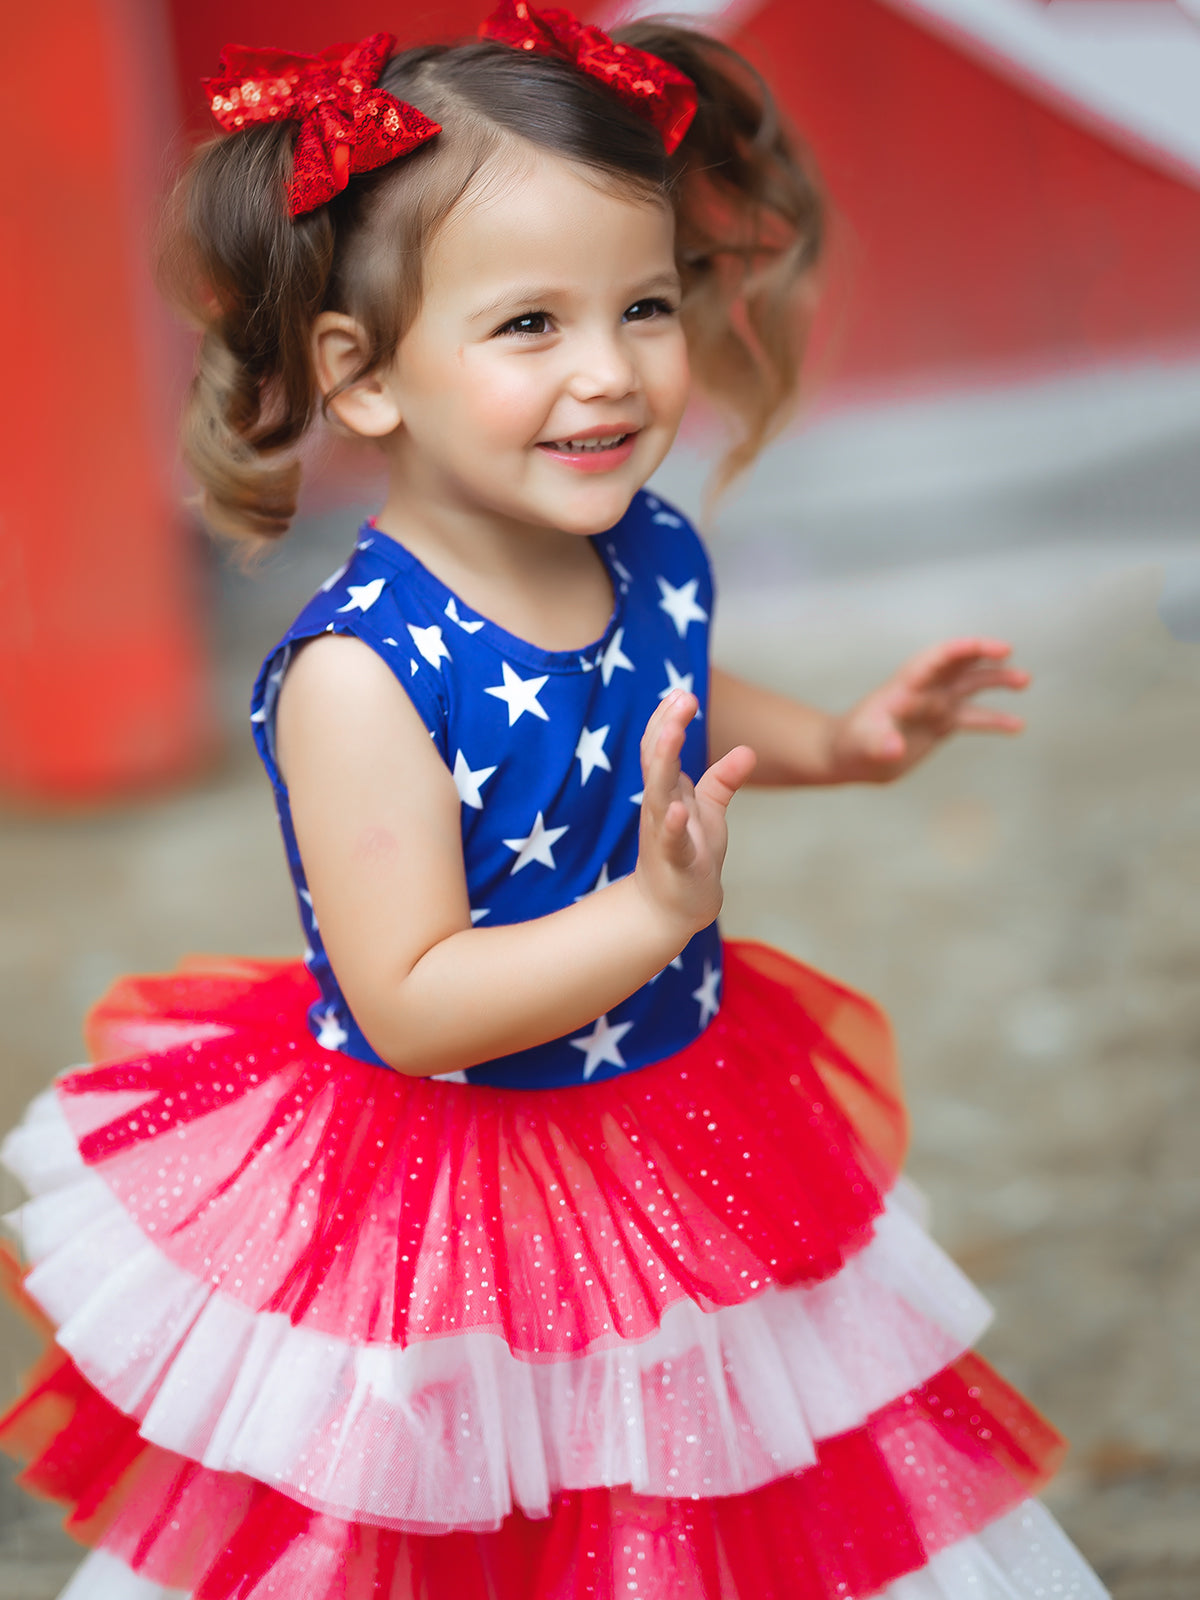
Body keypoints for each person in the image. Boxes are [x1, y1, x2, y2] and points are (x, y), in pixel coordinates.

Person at [0, 8, 1110, 1597]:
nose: (610, 372)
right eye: (530, 326)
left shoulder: (648, 545)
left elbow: (666, 702)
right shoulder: (363, 678)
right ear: (362, 376)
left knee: (713, 1471)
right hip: (449, 1184)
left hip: (673, 1119)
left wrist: (846, 742)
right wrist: (649, 913)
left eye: (643, 306)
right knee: (468, 1510)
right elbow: (412, 1003)